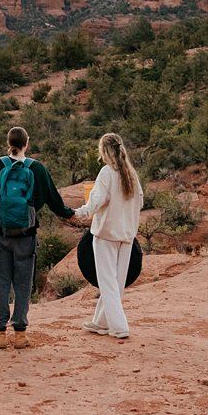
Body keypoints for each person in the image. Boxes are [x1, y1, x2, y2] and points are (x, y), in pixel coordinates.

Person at [0, 126, 75, 349]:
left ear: (8, 142)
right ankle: (20, 334)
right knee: (23, 284)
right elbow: (53, 198)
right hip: (26, 235)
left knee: (0, 282)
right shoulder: (36, 168)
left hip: (0, 234)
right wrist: (68, 214)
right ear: (27, 142)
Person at [69, 132, 143, 340]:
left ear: (103, 151)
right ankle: (100, 322)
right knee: (116, 281)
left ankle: (119, 327)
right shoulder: (131, 174)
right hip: (127, 234)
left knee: (107, 281)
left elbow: (96, 201)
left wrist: (80, 212)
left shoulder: (107, 173)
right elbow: (140, 202)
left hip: (106, 234)